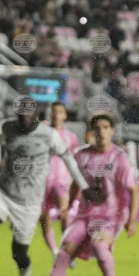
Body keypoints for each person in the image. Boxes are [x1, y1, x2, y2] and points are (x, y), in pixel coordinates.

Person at [29, 113, 139, 276]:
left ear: (112, 131)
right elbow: (76, 184)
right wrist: (69, 206)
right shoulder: (81, 155)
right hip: (84, 215)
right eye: (97, 128)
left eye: (105, 127)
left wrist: (131, 221)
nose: (101, 132)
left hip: (111, 217)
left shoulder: (120, 157)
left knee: (100, 247)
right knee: (63, 255)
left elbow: (134, 190)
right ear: (92, 132)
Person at [0, 106, 92, 276]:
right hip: (3, 192)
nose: (23, 119)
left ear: (36, 116)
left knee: (19, 253)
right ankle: (58, 251)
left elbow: (69, 158)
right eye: (20, 116)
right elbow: (0, 139)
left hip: (30, 202)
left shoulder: (50, 135)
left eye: (27, 116)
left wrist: (84, 186)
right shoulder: (9, 127)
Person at [39, 101, 80, 259]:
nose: (56, 114)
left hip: (62, 183)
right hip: (42, 183)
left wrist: (76, 183)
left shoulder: (71, 138)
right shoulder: (41, 133)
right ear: (50, 114)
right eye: (54, 111)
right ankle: (54, 251)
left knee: (65, 216)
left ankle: (67, 251)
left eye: (59, 112)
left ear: (65, 115)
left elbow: (75, 161)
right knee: (44, 219)